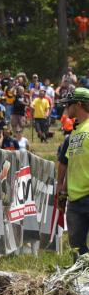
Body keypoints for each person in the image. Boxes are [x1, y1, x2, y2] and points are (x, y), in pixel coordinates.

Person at [57, 88, 89, 254]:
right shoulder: (75, 132)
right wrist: (63, 190)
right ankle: (83, 280)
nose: (66, 108)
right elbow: (70, 164)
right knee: (76, 249)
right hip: (75, 200)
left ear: (78, 104)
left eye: (68, 104)